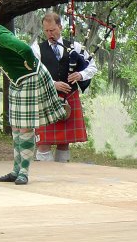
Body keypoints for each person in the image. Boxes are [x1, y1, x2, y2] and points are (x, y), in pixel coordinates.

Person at [0, 0, 67, 185]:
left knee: (25, 127)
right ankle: (15, 170)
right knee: (16, 126)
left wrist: (30, 67)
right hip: (16, 80)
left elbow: (25, 49)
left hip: (30, 78)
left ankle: (24, 172)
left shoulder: (0, 34)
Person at [31, 13, 97, 162]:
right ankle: (45, 177)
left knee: (64, 142)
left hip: (69, 98)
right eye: (46, 31)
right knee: (43, 143)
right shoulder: (37, 49)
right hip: (46, 98)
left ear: (60, 27)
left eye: (53, 30)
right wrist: (52, 84)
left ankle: (62, 177)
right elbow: (33, 73)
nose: (49, 34)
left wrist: (80, 75)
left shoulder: (75, 47)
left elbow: (92, 66)